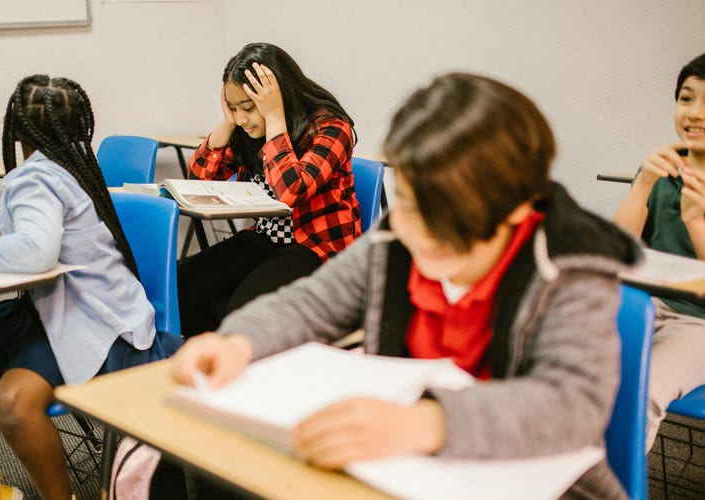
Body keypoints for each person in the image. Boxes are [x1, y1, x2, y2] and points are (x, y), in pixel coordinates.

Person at [174, 73, 640, 498]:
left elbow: (571, 406)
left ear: (520, 206)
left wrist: (427, 423)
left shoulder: (571, 266)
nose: (424, 233)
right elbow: (311, 303)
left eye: (453, 214)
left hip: (530, 476)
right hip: (402, 465)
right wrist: (239, 342)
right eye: (415, 204)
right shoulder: (399, 239)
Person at [0, 75, 181, 500]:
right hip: (51, 306)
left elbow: (36, 251)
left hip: (93, 317)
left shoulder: (37, 175)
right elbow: (14, 218)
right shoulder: (64, 164)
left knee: (12, 401)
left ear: (17, 131)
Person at [178, 42, 361, 336]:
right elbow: (197, 180)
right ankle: (223, 350)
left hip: (315, 246)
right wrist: (227, 123)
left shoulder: (330, 128)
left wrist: (275, 119)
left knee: (244, 312)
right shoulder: (246, 128)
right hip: (266, 237)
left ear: (277, 97)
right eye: (233, 108)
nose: (241, 119)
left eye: (248, 108)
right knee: (181, 287)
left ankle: (242, 349)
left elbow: (292, 192)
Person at [613, 53, 705, 451]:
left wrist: (696, 222)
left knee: (639, 395)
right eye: (686, 99)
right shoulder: (664, 168)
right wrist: (644, 183)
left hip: (698, 324)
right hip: (645, 305)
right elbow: (618, 250)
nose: (695, 113)